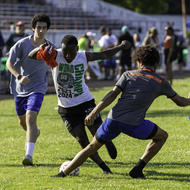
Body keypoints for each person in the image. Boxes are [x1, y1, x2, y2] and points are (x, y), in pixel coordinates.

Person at [51, 45, 190, 179]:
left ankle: (63, 173)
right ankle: (138, 169)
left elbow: (111, 95)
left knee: (91, 147)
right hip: (134, 124)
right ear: (156, 63)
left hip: (113, 120)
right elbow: (181, 102)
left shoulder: (128, 74)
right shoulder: (161, 81)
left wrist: (93, 113)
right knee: (162, 136)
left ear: (139, 61)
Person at [29, 35, 131, 174]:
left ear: (77, 48)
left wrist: (120, 46)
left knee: (98, 133)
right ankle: (105, 169)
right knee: (84, 142)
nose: (68, 55)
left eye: (71, 52)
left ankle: (107, 141)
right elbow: (31, 56)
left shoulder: (83, 56)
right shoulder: (55, 54)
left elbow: (104, 54)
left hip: (85, 103)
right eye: (65, 52)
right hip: (66, 110)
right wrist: (40, 49)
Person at [6, 13, 52, 166]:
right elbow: (8, 63)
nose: (41, 30)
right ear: (33, 28)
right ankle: (34, 133)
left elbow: (54, 66)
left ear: (47, 29)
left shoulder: (49, 47)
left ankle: (28, 156)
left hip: (38, 88)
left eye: (44, 28)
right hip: (20, 87)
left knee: (30, 118)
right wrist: (19, 77)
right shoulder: (21, 44)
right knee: (22, 122)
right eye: (38, 27)